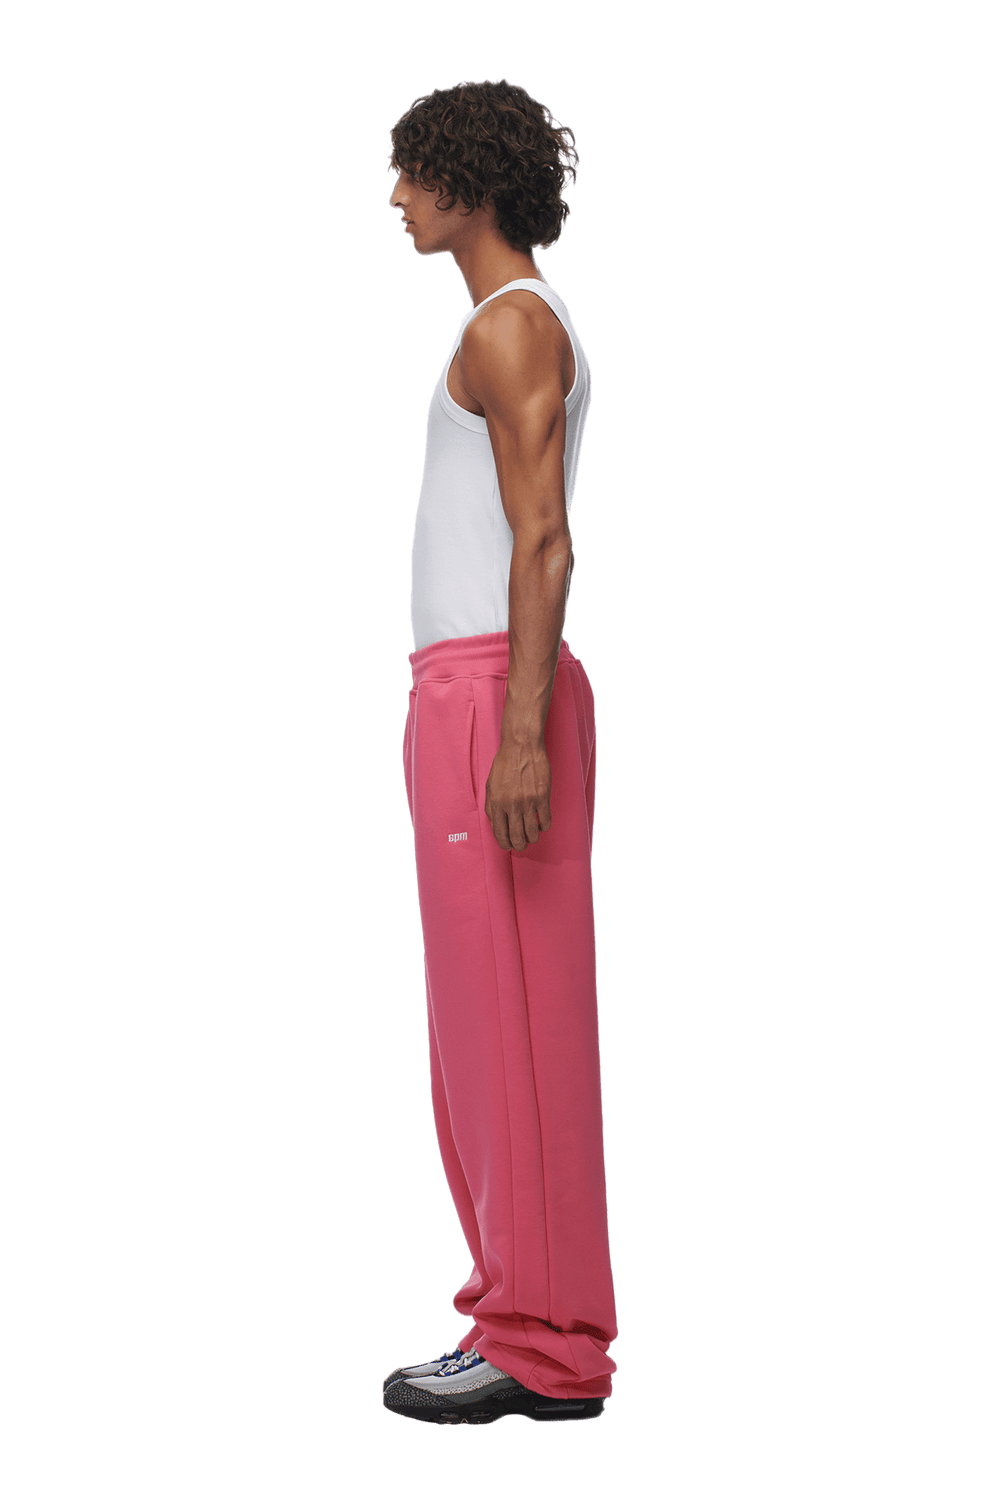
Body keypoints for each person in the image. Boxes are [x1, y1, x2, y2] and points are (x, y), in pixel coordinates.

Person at [384, 79, 617, 1426]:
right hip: (472, 694)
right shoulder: (507, 323)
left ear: (469, 182)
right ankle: (541, 1328)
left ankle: (535, 1340)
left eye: (415, 173)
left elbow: (544, 540)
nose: (398, 198)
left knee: (508, 1025)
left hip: (494, 699)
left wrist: (518, 732)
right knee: (494, 1023)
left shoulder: (512, 325)